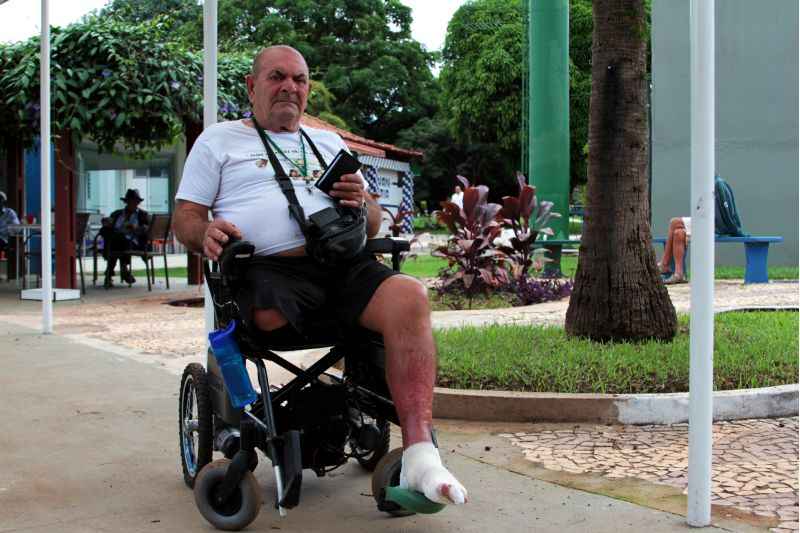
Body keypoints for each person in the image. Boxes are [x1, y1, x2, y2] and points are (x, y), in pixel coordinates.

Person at [173, 45, 467, 506]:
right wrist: (205, 232)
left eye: (299, 79)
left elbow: (373, 222)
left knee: (409, 295)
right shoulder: (218, 141)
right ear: (252, 86)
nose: (289, 87)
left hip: (340, 267)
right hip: (265, 272)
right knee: (272, 315)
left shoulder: (328, 143)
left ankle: (420, 454)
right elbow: (185, 218)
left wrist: (360, 201)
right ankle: (293, 422)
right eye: (277, 77)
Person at [99, 188, 150, 288]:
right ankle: (123, 269)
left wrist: (135, 228)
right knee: (110, 236)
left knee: (117, 243)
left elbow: (148, 229)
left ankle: (109, 275)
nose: (133, 203)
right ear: (126, 202)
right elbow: (109, 224)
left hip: (133, 242)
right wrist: (107, 222)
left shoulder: (143, 215)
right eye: (130, 201)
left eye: (135, 201)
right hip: (117, 240)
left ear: (138, 203)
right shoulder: (117, 213)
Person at [658, 216, 691, 284]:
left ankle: (664, 265)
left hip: (710, 222)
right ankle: (678, 273)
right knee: (678, 231)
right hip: (704, 219)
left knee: (675, 223)